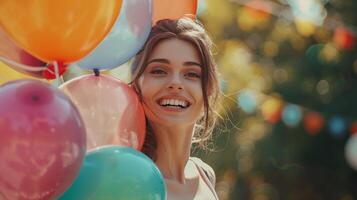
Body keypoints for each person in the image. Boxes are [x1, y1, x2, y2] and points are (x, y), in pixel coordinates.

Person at [131, 17, 221, 200]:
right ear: (136, 85)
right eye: (159, 71)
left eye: (191, 74)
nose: (175, 83)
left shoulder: (205, 174)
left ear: (208, 89)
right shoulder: (127, 180)